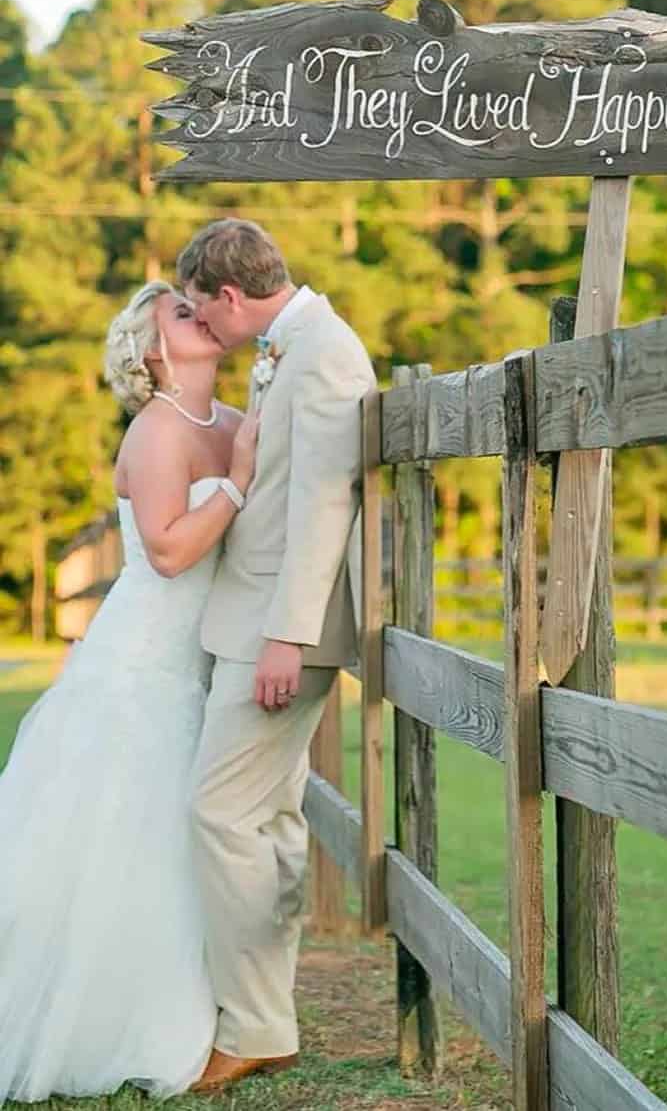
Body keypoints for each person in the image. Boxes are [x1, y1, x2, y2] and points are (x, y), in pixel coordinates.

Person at [0, 280, 258, 1102]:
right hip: (138, 670)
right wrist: (238, 484)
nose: (202, 314)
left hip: (197, 667)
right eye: (180, 314)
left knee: (186, 840)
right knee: (123, 838)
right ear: (152, 354)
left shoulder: (229, 423)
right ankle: (126, 1018)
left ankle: (204, 1005)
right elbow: (173, 552)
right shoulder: (157, 432)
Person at [177, 219, 374, 1096]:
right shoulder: (288, 349)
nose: (203, 329)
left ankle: (253, 1023)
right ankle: (269, 1015)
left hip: (280, 629)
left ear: (228, 294)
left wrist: (288, 636)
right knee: (271, 821)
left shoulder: (325, 353)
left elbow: (327, 502)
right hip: (252, 615)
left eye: (198, 311)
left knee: (218, 812)